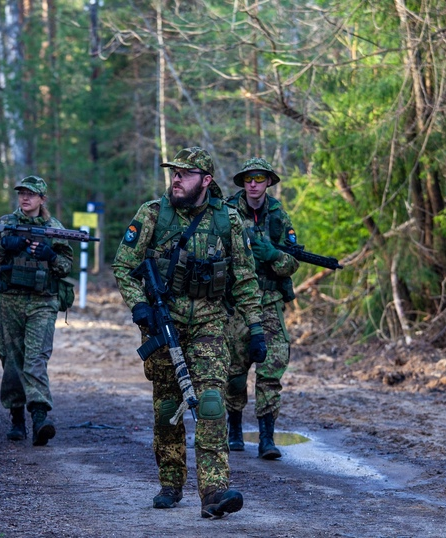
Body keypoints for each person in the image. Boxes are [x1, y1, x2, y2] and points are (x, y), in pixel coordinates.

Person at [112, 147, 267, 519]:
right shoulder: (152, 214)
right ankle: (170, 480)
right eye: (174, 172)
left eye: (185, 173)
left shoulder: (227, 220)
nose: (176, 178)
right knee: (168, 407)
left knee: (211, 402)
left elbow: (245, 279)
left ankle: (214, 490)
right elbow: (123, 264)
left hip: (210, 322)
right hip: (164, 323)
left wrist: (256, 327)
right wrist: (139, 306)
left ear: (206, 180)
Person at [0, 175, 74, 446]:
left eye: (31, 194)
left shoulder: (54, 228)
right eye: (21, 193)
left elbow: (66, 266)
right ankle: (16, 416)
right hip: (8, 301)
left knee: (36, 359)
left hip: (42, 302)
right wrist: (3, 246)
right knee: (11, 360)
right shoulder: (4, 225)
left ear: (42, 198)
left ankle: (40, 417)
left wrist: (50, 255)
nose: (25, 198)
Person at [224, 158, 299, 460]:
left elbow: (293, 261)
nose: (253, 184)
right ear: (243, 182)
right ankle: (234, 429)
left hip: (269, 303)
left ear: (269, 181)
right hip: (236, 305)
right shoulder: (226, 212)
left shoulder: (279, 216)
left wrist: (272, 255)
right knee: (234, 372)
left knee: (271, 370)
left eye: (259, 178)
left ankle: (267, 438)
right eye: (248, 179)